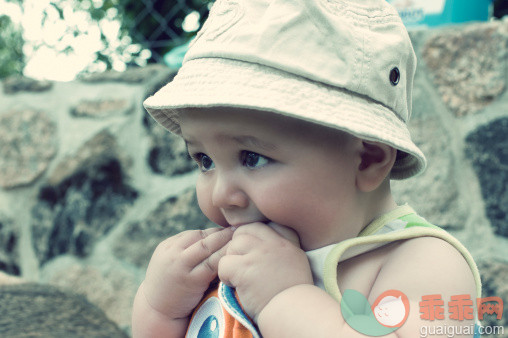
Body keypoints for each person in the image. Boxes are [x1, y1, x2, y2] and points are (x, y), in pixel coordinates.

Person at [132, 0, 482, 336]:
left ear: (367, 159)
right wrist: (161, 309)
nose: (222, 195)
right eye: (204, 160)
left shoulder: (425, 264)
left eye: (251, 158)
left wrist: (284, 298)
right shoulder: (240, 264)